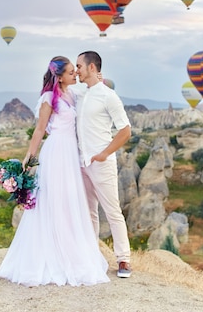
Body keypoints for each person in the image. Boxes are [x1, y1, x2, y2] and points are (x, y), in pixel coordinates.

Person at [0, 56, 110, 287]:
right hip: (56, 151)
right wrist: (30, 155)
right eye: (70, 72)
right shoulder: (49, 98)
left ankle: (68, 247)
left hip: (70, 152)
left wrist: (99, 80)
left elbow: (94, 96)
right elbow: (39, 130)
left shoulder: (74, 94)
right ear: (58, 77)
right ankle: (51, 252)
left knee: (69, 201)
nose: (75, 75)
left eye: (74, 71)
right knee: (53, 200)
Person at [74, 51, 133, 278]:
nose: (76, 70)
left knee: (112, 211)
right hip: (81, 163)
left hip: (101, 163)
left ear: (91, 67)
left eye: (79, 66)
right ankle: (92, 255)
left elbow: (125, 130)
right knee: (89, 212)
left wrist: (104, 153)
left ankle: (123, 260)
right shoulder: (80, 94)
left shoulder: (108, 96)